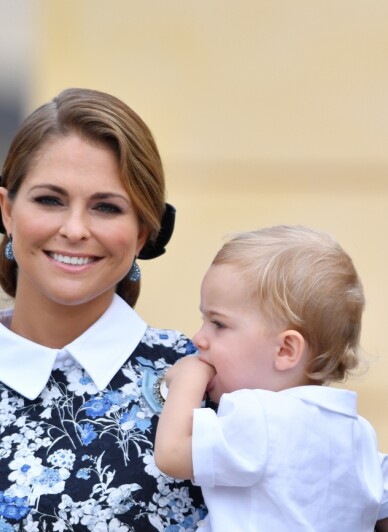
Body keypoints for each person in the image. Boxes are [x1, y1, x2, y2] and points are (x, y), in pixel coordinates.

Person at [0, 87, 210, 531]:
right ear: (7, 210)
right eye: (50, 200)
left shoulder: (208, 384)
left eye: (106, 207)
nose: (74, 229)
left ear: (144, 231)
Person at [154, 224, 388, 531]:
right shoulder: (359, 434)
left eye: (218, 324)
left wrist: (188, 377)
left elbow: (171, 455)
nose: (199, 338)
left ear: (286, 350)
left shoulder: (259, 414)